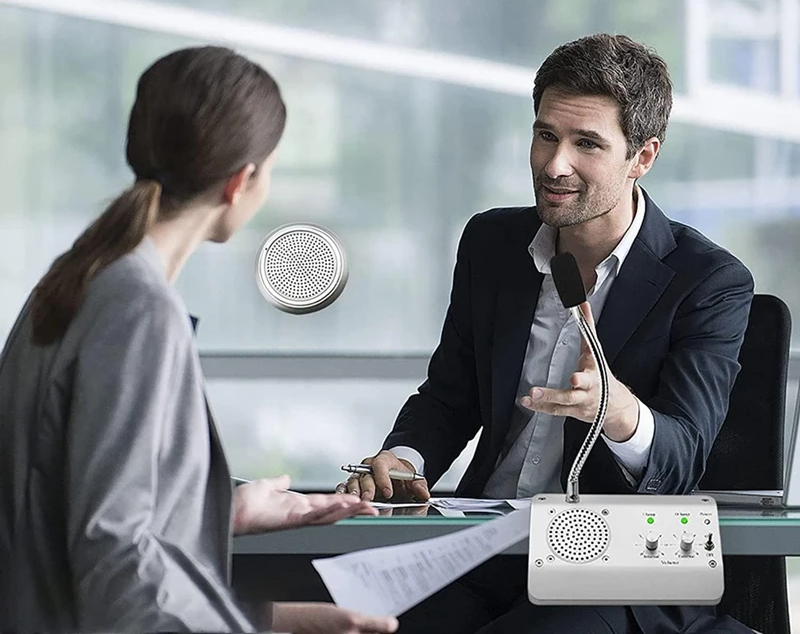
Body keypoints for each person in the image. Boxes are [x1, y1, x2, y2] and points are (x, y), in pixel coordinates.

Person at [339, 34, 755, 633]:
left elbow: (682, 458)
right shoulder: (492, 243)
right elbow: (451, 397)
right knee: (355, 616)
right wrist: (404, 458)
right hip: (488, 551)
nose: (555, 164)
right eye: (545, 135)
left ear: (643, 157)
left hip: (619, 573)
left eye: (587, 143)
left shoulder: (708, 280)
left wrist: (616, 411)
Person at [0, 46, 398, 634]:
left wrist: (221, 512)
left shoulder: (79, 276)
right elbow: (114, 553)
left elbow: (78, 494)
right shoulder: (138, 307)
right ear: (242, 181)